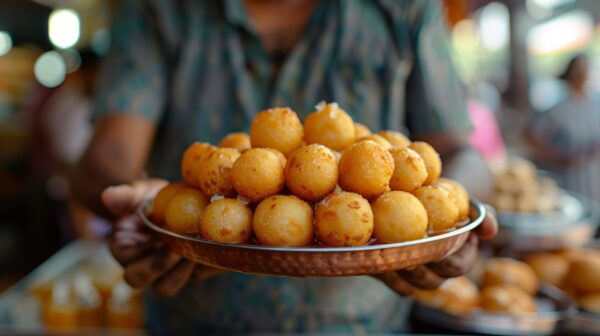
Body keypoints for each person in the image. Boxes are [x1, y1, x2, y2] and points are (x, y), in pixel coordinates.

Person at [73, 0, 497, 333]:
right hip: (195, 319)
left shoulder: (403, 7)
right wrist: (136, 202)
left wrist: (455, 221)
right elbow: (104, 160)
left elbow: (461, 152)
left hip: (360, 324)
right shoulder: (160, 7)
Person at [526, 54, 600, 205]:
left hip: (593, 183)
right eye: (578, 69)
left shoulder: (595, 106)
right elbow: (529, 135)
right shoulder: (558, 110)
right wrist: (558, 157)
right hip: (569, 185)